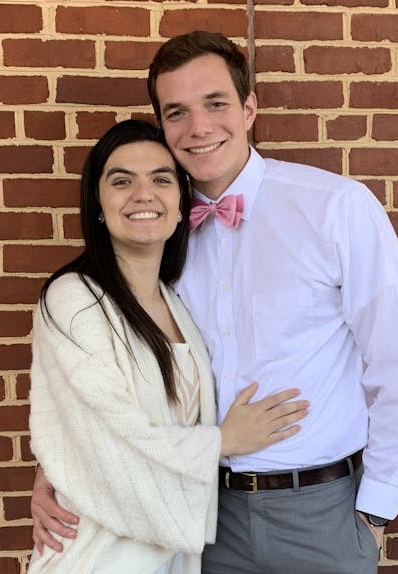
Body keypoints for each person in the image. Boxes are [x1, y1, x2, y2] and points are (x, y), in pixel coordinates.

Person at [31, 32, 398, 574]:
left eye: (216, 103)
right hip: (201, 518)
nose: (199, 127)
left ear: (249, 109)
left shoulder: (335, 208)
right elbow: (118, 369)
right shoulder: (158, 232)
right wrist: (59, 466)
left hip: (318, 513)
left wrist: (375, 510)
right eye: (177, 113)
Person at [28, 117, 308, 574]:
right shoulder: (74, 300)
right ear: (98, 203)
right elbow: (111, 443)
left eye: (161, 179)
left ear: (182, 204)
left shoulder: (177, 302)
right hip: (99, 557)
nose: (144, 194)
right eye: (122, 181)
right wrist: (225, 441)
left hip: (174, 559)